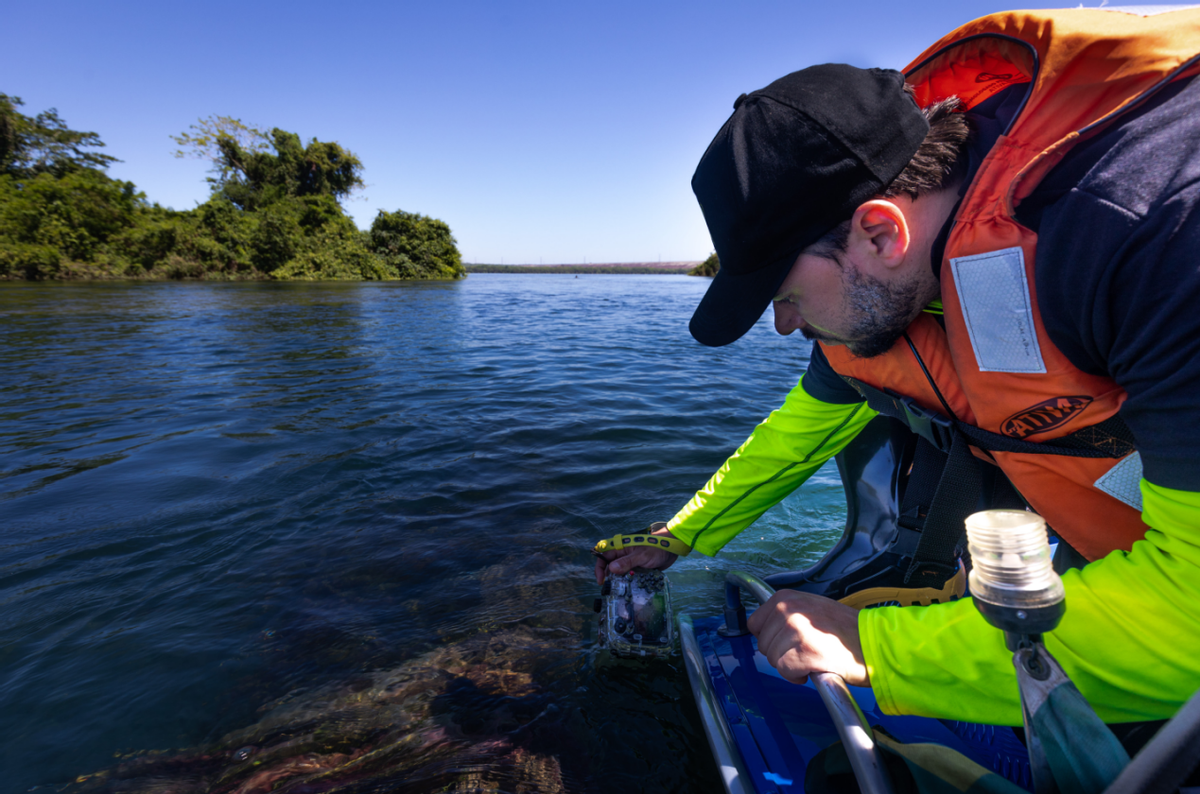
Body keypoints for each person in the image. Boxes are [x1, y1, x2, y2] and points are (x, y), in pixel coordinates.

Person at [594, 7, 1200, 727]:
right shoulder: (896, 287)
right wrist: (679, 538)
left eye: (785, 296)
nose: (786, 325)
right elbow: (798, 433)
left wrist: (872, 645)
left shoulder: (1155, 234)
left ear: (880, 231)